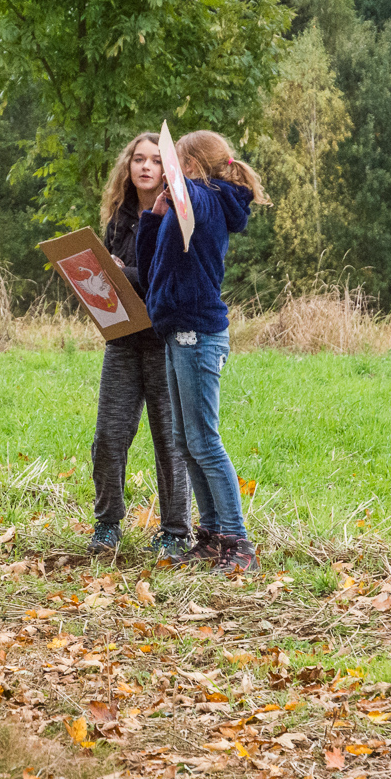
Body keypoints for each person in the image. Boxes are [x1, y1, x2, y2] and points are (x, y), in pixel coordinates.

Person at [135, 130, 269, 572]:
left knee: (205, 441)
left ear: (189, 167)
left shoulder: (208, 200)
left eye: (173, 163)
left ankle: (237, 541)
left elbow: (193, 193)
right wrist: (154, 218)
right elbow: (152, 269)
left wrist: (180, 186)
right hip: (176, 330)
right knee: (184, 440)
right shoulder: (186, 205)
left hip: (198, 333)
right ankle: (211, 537)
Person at [88, 132, 193, 558]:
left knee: (169, 441)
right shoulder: (118, 217)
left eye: (154, 159)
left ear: (167, 169)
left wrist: (120, 273)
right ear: (128, 166)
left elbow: (166, 280)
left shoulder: (178, 216)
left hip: (165, 341)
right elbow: (109, 282)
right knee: (109, 437)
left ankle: (176, 532)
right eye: (138, 159)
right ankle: (107, 525)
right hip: (123, 340)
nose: (145, 166)